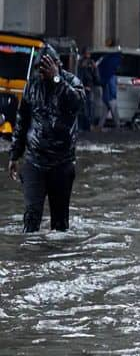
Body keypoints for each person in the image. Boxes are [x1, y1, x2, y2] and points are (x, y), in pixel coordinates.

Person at [7, 45, 87, 232]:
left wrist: (57, 79)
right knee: (31, 217)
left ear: (57, 65)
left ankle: (54, 256)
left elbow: (78, 104)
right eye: (39, 69)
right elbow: (22, 120)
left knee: (60, 225)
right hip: (34, 161)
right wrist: (14, 155)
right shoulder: (32, 85)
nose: (42, 73)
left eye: (46, 69)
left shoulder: (70, 81)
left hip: (62, 163)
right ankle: (30, 257)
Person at [76, 49, 98, 133]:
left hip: (90, 89)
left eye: (89, 54)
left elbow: (96, 79)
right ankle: (83, 126)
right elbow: (79, 77)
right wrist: (82, 67)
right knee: (84, 109)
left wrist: (95, 68)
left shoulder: (91, 64)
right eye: (86, 54)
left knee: (91, 108)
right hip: (83, 89)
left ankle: (90, 125)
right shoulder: (80, 64)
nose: (88, 56)